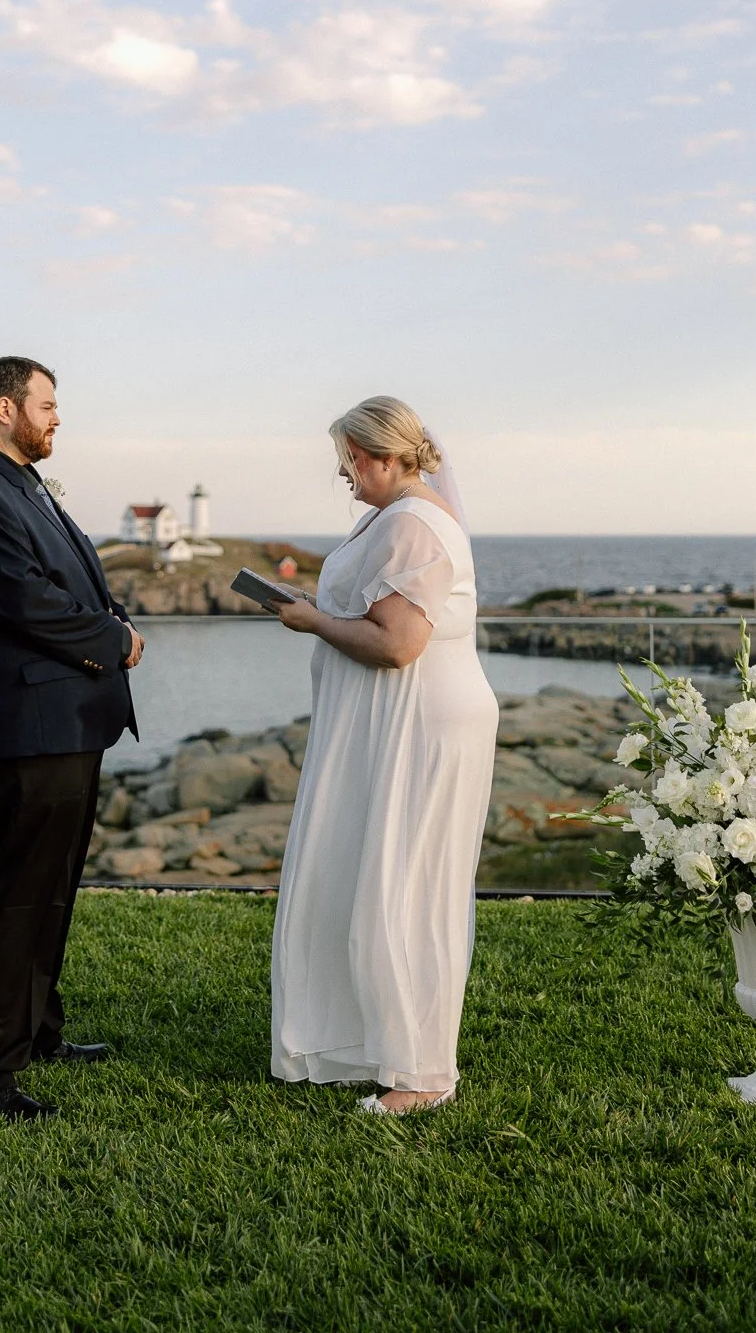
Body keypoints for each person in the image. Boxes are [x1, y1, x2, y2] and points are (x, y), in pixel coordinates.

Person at [0, 356, 144, 1121]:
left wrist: (106, 625)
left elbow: (64, 581)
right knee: (19, 894)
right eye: (48, 404)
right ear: (7, 409)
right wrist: (112, 641)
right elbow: (25, 602)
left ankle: (37, 1033)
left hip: (58, 721)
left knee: (50, 889)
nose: (58, 417)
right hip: (21, 727)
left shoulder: (20, 483)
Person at [269, 397, 497, 1115]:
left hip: (419, 727)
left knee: (405, 889)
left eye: (350, 459)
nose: (343, 472)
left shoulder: (413, 525)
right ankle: (376, 1045)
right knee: (375, 880)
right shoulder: (394, 517)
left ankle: (422, 1074)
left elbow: (398, 645)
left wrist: (311, 620)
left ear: (385, 456)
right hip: (392, 726)